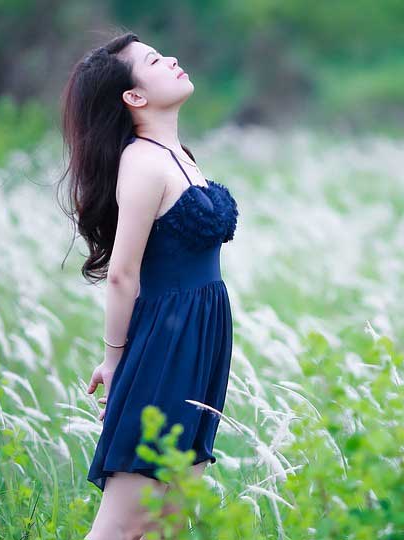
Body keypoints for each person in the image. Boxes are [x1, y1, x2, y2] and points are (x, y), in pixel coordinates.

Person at [58, 30, 239, 540]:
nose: (173, 59)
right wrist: (114, 361)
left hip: (200, 344)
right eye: (155, 61)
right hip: (165, 348)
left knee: (169, 519)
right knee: (123, 525)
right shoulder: (141, 161)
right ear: (134, 97)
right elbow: (123, 273)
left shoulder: (179, 154)